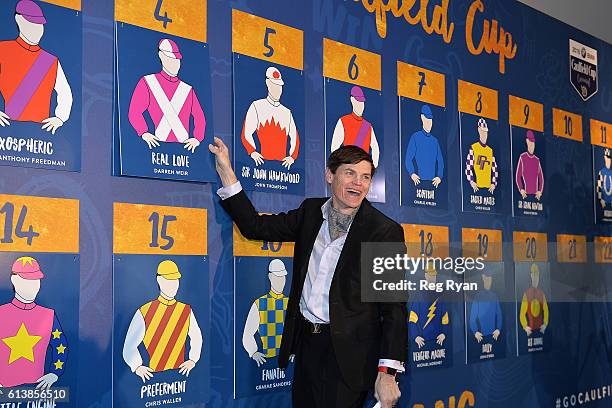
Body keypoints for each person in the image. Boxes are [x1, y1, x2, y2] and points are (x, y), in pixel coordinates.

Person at [209, 138, 406, 408]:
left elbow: (393, 308)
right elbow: (255, 227)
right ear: (329, 175)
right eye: (349, 173)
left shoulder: (383, 232)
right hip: (307, 347)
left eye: (365, 177)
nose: (358, 183)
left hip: (350, 359)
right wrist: (226, 172)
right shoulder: (310, 213)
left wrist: (387, 372)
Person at [122, 260, 203, 383]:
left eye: (176, 281)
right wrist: (137, 367)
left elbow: (197, 337)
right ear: (159, 281)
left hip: (180, 374)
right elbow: (129, 345)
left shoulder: (186, 310)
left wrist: (193, 360)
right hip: (154, 377)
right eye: (169, 281)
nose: (174, 285)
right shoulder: (144, 311)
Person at [0, 0, 73, 134]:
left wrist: (60, 118)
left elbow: (65, 92)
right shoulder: (3, 50)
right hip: (9, 131)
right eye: (32, 24)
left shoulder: (50, 61)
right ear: (19, 20)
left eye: (40, 25)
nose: (37, 30)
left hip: (41, 134)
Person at [128, 38, 206, 153]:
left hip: (183, 150)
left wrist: (197, 138)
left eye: (177, 60)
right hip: (157, 148)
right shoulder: (148, 82)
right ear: (161, 57)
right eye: (171, 59)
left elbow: (200, 117)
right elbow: (134, 112)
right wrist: (144, 132)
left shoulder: (187, 89)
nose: (175, 64)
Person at [0, 257, 68, 389]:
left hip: (36, 390)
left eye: (36, 282)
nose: (32, 287)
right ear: (14, 281)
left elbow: (61, 345)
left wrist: (54, 373)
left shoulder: (49, 315)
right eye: (27, 281)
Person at [240, 66, 300, 170]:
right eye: (274, 86)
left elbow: (295, 137)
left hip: (282, 167)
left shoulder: (286, 112)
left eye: (279, 86)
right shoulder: (257, 106)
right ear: (268, 84)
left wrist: (292, 157)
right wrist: (252, 151)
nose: (278, 90)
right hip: (262, 164)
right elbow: (246, 133)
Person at [242, 258, 289, 367]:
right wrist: (253, 352)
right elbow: (247, 334)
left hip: (286, 357)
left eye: (283, 278)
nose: (281, 282)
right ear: (270, 278)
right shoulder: (259, 303)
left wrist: (294, 349)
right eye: (278, 278)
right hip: (268, 360)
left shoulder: (289, 302)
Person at [331, 85, 380, 167]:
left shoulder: (368, 126)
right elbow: (334, 148)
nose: (361, 106)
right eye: (358, 102)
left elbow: (376, 149)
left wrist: (372, 168)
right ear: (352, 100)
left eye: (362, 102)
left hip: (362, 169)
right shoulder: (343, 121)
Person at [408, 264, 449, 349]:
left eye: (434, 276)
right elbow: (412, 318)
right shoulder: (419, 296)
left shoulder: (440, 296)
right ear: (425, 276)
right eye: (430, 275)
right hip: (422, 343)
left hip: (438, 342)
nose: (432, 278)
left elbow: (445, 318)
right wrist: (415, 336)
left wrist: (444, 333)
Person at [405, 104, 444, 188]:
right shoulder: (415, 137)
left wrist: (439, 177)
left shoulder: (435, 141)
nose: (429, 123)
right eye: (427, 119)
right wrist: (412, 174)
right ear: (422, 118)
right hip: (418, 183)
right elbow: (408, 158)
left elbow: (441, 161)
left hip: (433, 184)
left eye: (431, 120)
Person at [465, 118, 498, 194]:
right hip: (477, 187)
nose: (484, 134)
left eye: (485, 132)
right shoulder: (473, 147)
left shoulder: (490, 150)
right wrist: (472, 182)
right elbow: (468, 167)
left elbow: (495, 168)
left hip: (489, 188)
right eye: (482, 131)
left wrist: (493, 183)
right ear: (479, 131)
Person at [469, 270, 502, 343]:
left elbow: (499, 314)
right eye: (487, 279)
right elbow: (472, 318)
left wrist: (498, 329)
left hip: (494, 335)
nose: (489, 281)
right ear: (483, 278)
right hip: (480, 336)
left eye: (490, 279)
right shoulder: (478, 296)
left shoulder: (494, 296)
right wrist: (475, 332)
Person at [519, 264, 549, 337]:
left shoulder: (542, 294)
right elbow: (522, 313)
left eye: (537, 276)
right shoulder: (526, 294)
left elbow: (546, 310)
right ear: (531, 276)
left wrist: (545, 324)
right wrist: (525, 327)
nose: (536, 278)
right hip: (530, 331)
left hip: (540, 330)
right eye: (534, 276)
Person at [515, 130, 544, 200]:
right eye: (530, 143)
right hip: (525, 195)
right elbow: (518, 176)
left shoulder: (537, 160)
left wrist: (540, 191)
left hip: (535, 196)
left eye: (533, 143)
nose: (532, 146)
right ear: (527, 142)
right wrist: (521, 189)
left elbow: (541, 177)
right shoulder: (523, 157)